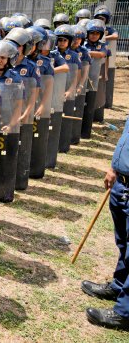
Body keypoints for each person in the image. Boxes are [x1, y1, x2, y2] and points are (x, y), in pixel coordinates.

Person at [81, 118, 129, 331]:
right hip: (122, 182)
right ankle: (119, 286)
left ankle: (124, 312)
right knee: (124, 243)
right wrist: (114, 167)